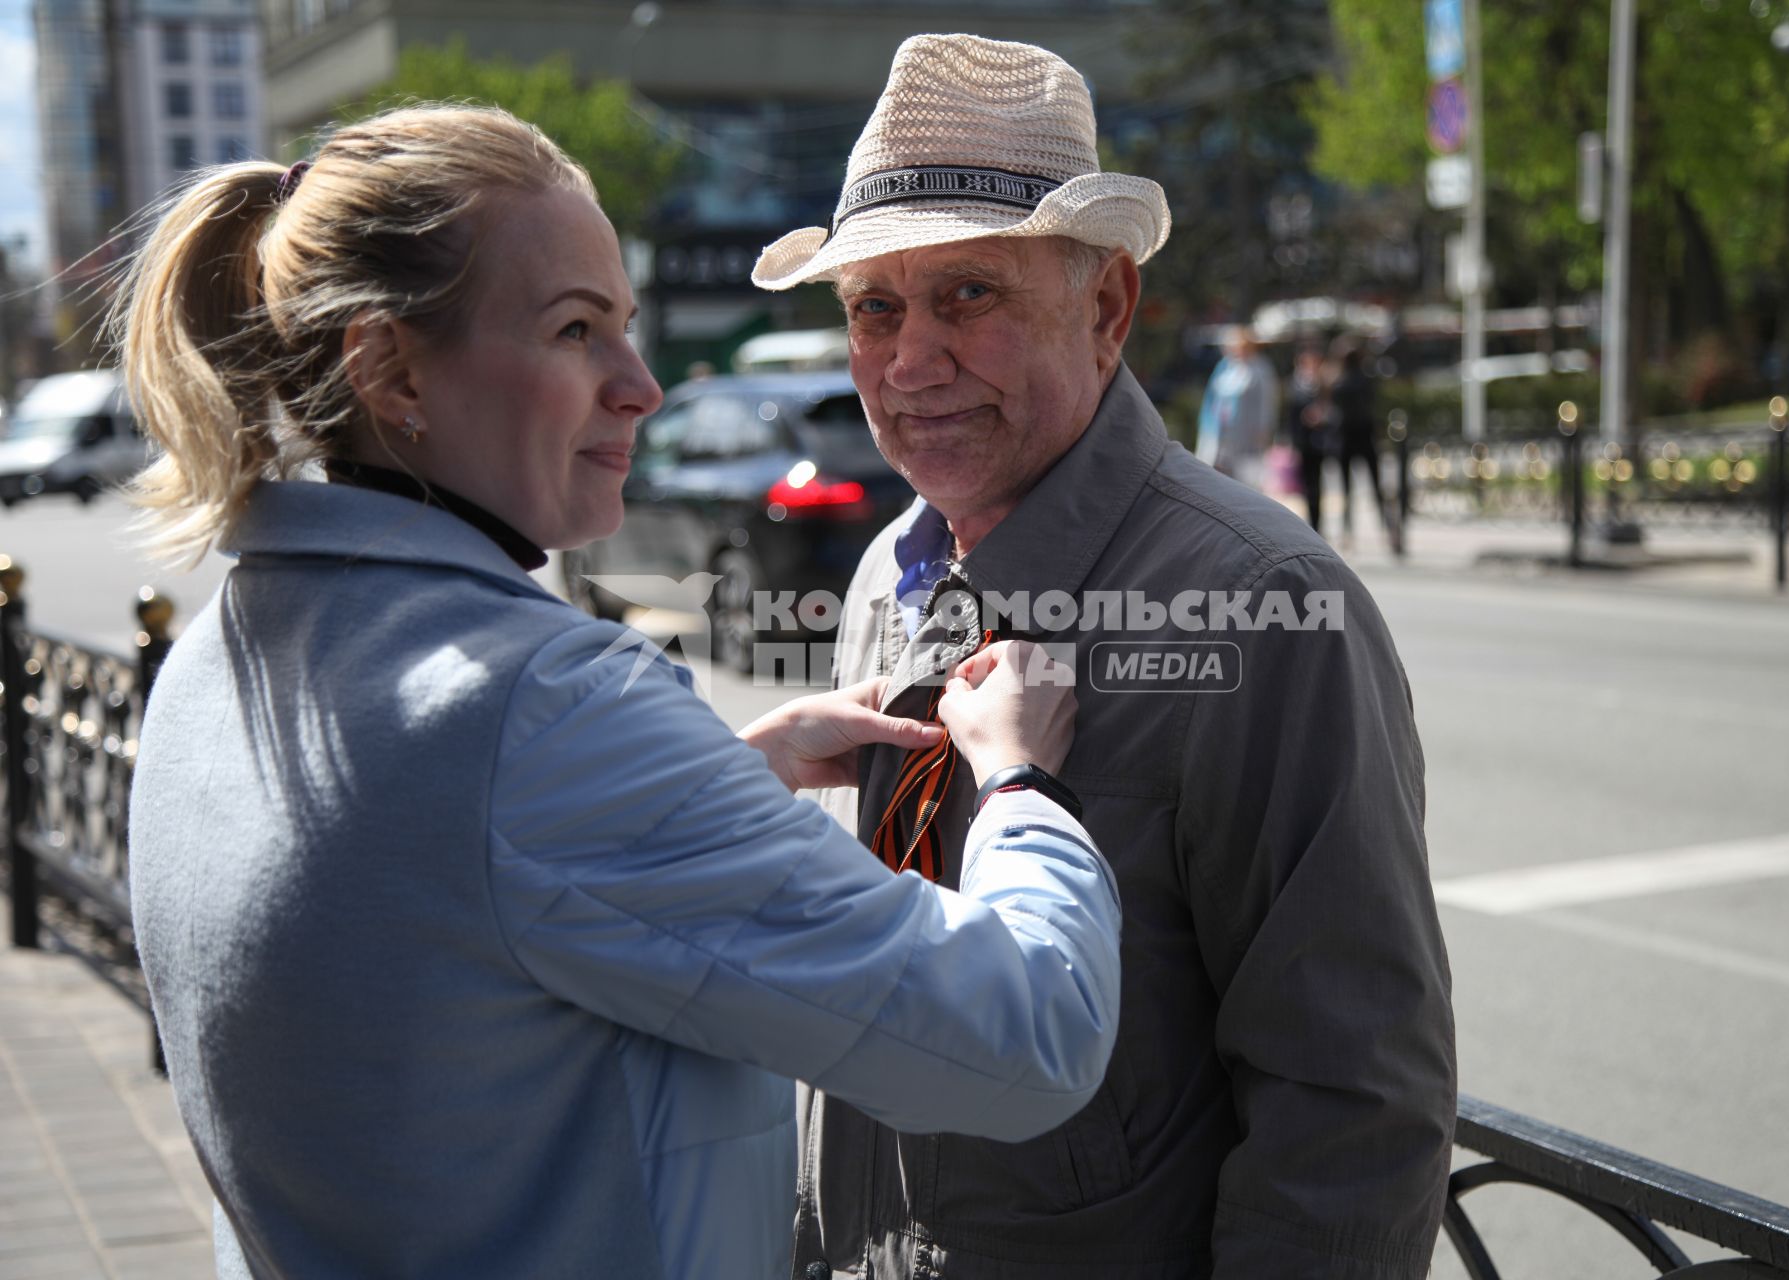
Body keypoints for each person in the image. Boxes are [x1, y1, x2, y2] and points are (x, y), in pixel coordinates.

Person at [115, 103, 1124, 1279]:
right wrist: (1020, 780)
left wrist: (712, 784)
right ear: (391, 370)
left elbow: (428, 910)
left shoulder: (218, 652)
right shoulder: (539, 713)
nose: (642, 386)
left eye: (626, 326)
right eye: (576, 330)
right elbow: (1028, 1034)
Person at [753, 34, 1456, 1280]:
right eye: (875, 308)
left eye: (968, 295)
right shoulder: (886, 573)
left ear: (1108, 308)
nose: (910, 363)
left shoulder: (1264, 605)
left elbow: (1351, 1109)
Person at [1328, 343, 1403, 555]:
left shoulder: (1339, 382)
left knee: (1346, 490)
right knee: (1377, 489)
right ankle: (1389, 531)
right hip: (1365, 438)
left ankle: (1347, 533)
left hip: (1345, 439)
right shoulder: (1366, 379)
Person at [1195, 325, 1278, 488]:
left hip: (1246, 431)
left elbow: (1267, 401)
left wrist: (1263, 428)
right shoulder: (1224, 367)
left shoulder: (1259, 369)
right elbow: (1212, 397)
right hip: (1220, 430)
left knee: (1244, 479)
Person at [1288, 342, 1335, 532]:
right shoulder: (1296, 384)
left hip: (1321, 441)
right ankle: (1311, 521)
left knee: (1318, 483)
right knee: (1306, 484)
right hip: (1303, 440)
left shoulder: (1324, 383)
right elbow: (1291, 415)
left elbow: (1333, 410)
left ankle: (1318, 524)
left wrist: (1321, 416)